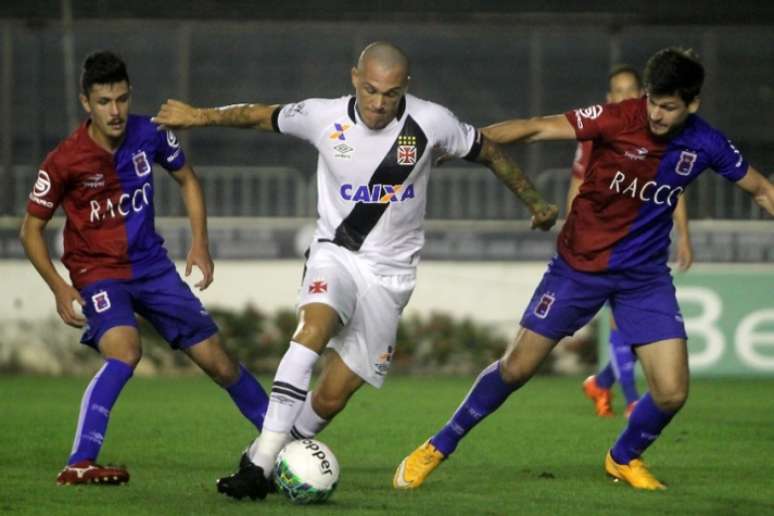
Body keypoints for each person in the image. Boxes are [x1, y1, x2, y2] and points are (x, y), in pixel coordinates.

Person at [153, 41, 559, 501]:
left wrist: (536, 203)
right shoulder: (322, 116)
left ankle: (277, 452)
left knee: (329, 399)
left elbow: (489, 151)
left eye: (389, 93)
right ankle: (260, 464)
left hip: (391, 278)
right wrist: (197, 116)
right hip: (337, 252)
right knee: (312, 328)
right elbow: (256, 114)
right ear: (354, 78)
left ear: (406, 87)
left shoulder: (430, 123)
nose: (379, 103)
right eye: (370, 90)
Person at [394, 47, 774, 491]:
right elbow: (537, 128)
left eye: (669, 107)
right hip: (578, 267)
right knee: (516, 369)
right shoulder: (616, 118)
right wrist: (467, 141)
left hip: (643, 278)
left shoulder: (706, 142)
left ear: (692, 105)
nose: (655, 114)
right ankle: (437, 446)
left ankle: (623, 457)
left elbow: (762, 189)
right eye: (652, 101)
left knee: (672, 392)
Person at [20, 50, 269, 486]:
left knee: (220, 363)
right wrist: (60, 288)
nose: (115, 111)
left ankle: (282, 442)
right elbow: (30, 230)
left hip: (153, 268)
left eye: (120, 99)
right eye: (103, 102)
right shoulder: (65, 159)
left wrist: (201, 244)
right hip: (98, 272)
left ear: (129, 94)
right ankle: (80, 460)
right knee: (125, 351)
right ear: (86, 103)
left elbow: (188, 179)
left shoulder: (149, 135)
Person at [573, 65, 693, 419]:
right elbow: (577, 186)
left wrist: (685, 235)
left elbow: (675, 190)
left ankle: (601, 383)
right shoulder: (598, 135)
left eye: (631, 90)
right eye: (618, 91)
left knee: (635, 330)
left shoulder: (661, 137)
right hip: (605, 244)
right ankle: (629, 399)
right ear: (609, 98)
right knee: (623, 327)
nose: (625, 96)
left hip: (644, 246)